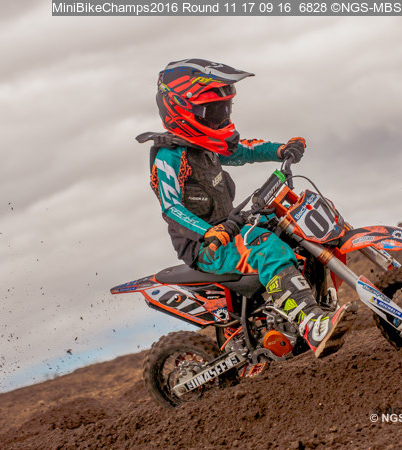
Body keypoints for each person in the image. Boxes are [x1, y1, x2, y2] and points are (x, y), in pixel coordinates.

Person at [138, 58, 357, 358]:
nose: (222, 117)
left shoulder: (206, 144)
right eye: (214, 111)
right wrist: (208, 232)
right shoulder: (170, 156)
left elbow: (243, 151)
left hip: (231, 228)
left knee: (289, 225)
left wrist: (280, 149)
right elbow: (171, 208)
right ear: (182, 110)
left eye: (224, 109)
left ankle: (315, 298)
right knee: (267, 248)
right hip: (206, 246)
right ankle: (311, 325)